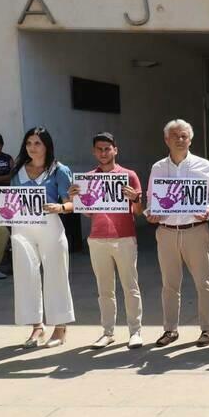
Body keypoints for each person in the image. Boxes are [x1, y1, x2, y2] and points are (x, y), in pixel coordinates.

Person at [0, 127, 75, 348]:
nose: (32, 147)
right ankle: (37, 327)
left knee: (56, 275)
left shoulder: (59, 170)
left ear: (47, 145)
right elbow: (10, 202)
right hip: (22, 227)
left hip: (50, 224)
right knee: (25, 275)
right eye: (29, 143)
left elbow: (72, 203)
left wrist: (59, 206)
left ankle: (60, 327)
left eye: (37, 143)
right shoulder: (18, 170)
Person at [146, 119, 209, 347]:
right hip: (167, 232)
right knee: (169, 284)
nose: (180, 140)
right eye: (175, 136)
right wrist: (151, 213)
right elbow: (152, 199)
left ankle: (207, 329)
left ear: (190, 139)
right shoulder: (158, 167)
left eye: (184, 136)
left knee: (204, 282)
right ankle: (170, 329)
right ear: (166, 140)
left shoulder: (204, 165)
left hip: (195, 231)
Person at [68, 132, 144, 349]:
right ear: (94, 152)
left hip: (125, 237)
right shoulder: (89, 178)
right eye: (99, 149)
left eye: (107, 148)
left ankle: (135, 331)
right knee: (104, 290)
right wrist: (77, 199)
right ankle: (107, 332)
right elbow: (88, 213)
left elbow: (138, 211)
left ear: (115, 150)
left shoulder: (129, 175)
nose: (103, 152)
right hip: (98, 238)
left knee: (130, 286)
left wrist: (136, 199)